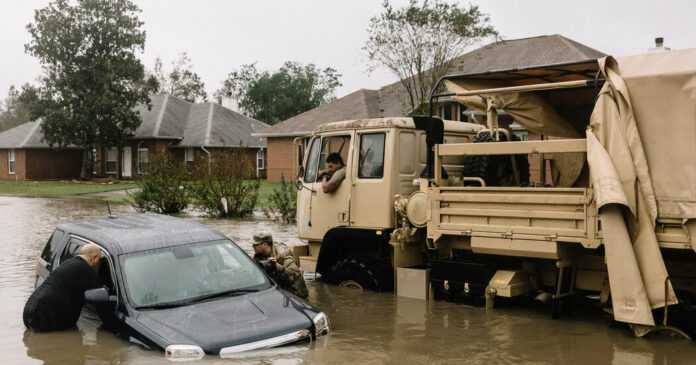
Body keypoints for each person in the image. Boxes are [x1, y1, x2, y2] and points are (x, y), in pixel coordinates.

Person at [23, 244, 103, 332]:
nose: (99, 263)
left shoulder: (67, 263)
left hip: (30, 308)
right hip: (45, 316)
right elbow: (102, 294)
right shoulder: (89, 271)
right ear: (94, 258)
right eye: (99, 260)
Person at [252, 232, 309, 300]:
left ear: (264, 244)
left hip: (296, 293)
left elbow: (294, 276)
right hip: (278, 290)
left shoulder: (283, 254)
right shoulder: (257, 255)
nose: (253, 246)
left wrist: (276, 266)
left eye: (255, 245)